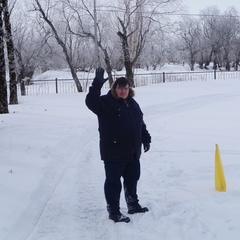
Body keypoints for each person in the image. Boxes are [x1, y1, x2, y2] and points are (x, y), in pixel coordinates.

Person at [85, 67, 151, 223]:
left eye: (126, 88)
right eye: (120, 88)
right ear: (115, 88)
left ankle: (132, 204)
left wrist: (145, 138)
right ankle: (113, 211)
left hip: (132, 152)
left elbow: (139, 123)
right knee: (113, 183)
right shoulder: (105, 103)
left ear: (129, 89)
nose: (123, 91)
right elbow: (90, 102)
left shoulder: (133, 103)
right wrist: (96, 85)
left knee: (132, 178)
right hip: (114, 152)